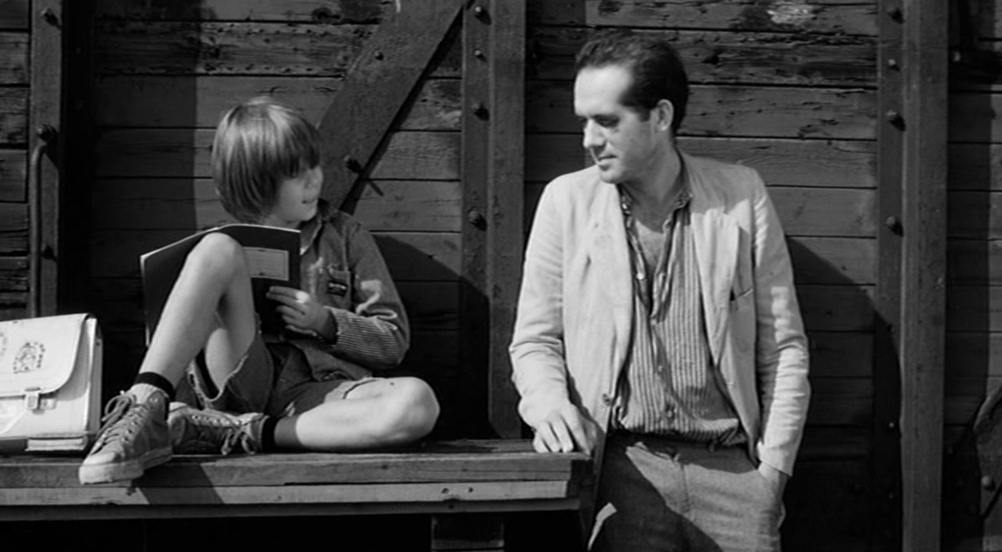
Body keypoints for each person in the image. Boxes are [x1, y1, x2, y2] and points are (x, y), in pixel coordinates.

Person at [509, 30, 810, 551]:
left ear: (661, 116)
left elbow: (783, 347)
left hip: (733, 474)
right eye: (584, 121)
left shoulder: (741, 197)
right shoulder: (566, 202)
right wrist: (548, 405)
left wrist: (772, 473)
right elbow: (534, 341)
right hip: (623, 472)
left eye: (607, 121)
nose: (589, 139)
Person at [79, 97, 440, 485]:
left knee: (416, 402)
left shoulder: (346, 236)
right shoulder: (215, 252)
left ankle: (241, 432)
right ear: (257, 183)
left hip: (319, 397)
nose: (315, 180)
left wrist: (326, 321)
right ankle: (140, 405)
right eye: (296, 174)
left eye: (315, 166)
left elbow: (393, 342)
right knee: (217, 248)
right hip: (238, 378)